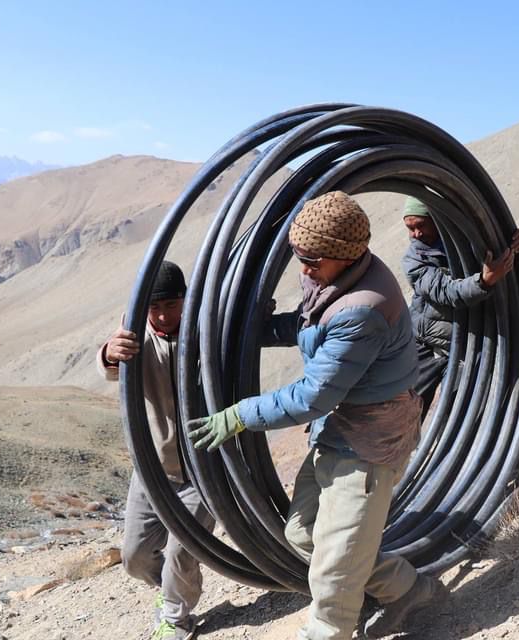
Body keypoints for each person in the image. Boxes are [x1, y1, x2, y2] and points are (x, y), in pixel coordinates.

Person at [187, 191, 444, 640]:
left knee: (333, 575)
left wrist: (242, 414)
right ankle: (407, 588)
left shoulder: (364, 307)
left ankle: (332, 625)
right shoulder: (335, 272)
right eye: (299, 257)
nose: (304, 269)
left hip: (370, 443)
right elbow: (313, 324)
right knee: (304, 536)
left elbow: (314, 396)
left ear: (345, 254)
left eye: (312, 260)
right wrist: (261, 328)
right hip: (339, 430)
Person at [97, 261, 214, 640]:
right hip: (152, 469)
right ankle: (172, 590)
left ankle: (177, 617)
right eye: (155, 307)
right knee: (134, 557)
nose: (163, 315)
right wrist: (109, 353)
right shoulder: (134, 334)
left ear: (186, 299)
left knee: (183, 551)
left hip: (204, 471)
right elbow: (111, 367)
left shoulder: (206, 327)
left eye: (172, 305)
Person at [400, 196, 519, 418]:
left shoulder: (476, 242)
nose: (416, 234)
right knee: (402, 411)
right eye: (410, 228)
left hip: (473, 344)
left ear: (437, 219)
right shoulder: (414, 259)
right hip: (428, 343)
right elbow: (445, 292)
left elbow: (517, 278)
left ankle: (475, 451)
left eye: (420, 225)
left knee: (463, 413)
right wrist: (484, 281)